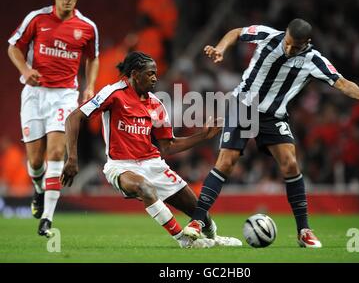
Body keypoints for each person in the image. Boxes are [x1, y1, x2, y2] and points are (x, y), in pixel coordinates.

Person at [184, 19, 359, 248]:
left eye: (295, 47)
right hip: (243, 105)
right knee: (226, 162)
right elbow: (236, 32)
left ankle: (304, 231)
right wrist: (220, 49)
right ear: (285, 34)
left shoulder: (314, 60)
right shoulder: (267, 35)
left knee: (290, 164)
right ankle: (196, 222)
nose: (289, 49)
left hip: (273, 116)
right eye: (288, 43)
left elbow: (341, 82)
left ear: (307, 43)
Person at [61, 51, 242, 248]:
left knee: (200, 212)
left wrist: (203, 136)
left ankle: (214, 238)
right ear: (134, 73)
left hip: (153, 164)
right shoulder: (114, 94)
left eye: (155, 73)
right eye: (150, 73)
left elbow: (168, 145)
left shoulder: (156, 104)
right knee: (144, 188)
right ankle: (184, 240)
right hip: (121, 166)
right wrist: (71, 158)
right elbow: (74, 118)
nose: (155, 78)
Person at [7, 0, 99, 237]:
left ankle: (47, 218)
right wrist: (25, 69)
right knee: (35, 161)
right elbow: (13, 47)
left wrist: (90, 85)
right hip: (35, 95)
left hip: (65, 95)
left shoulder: (87, 27)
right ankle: (38, 190)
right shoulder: (36, 19)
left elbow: (93, 58)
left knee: (56, 153)